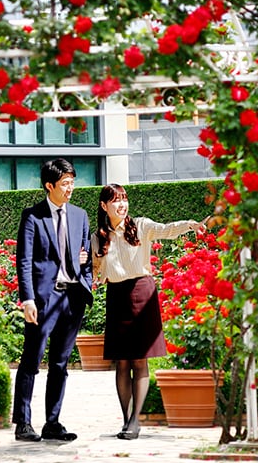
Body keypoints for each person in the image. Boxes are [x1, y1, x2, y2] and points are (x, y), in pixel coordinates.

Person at [92, 183, 205, 440]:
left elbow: (166, 230)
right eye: (116, 201)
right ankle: (126, 419)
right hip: (116, 296)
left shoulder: (140, 226)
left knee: (140, 360)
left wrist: (191, 224)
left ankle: (135, 421)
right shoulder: (98, 236)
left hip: (142, 293)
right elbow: (95, 271)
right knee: (122, 361)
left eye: (124, 199)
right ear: (104, 206)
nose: (122, 205)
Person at [12, 158, 94, 442]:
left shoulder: (80, 215)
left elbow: (86, 257)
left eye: (72, 182)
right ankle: (23, 422)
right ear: (50, 186)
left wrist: (86, 281)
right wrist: (28, 299)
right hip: (44, 299)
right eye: (65, 184)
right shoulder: (32, 217)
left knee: (61, 363)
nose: (70, 188)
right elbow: (23, 261)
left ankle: (52, 422)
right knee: (32, 360)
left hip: (72, 298)